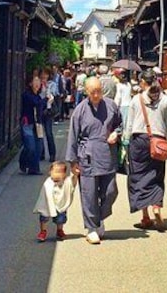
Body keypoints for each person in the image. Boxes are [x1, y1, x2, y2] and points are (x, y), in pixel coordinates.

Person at [65, 76, 122, 244]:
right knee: (89, 194)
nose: (97, 95)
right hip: (87, 156)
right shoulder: (80, 110)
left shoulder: (111, 106)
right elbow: (72, 137)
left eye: (99, 91)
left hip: (107, 153)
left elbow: (120, 124)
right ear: (87, 92)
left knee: (110, 191)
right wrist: (73, 162)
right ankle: (91, 227)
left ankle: (100, 218)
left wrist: (116, 133)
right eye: (93, 92)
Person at [124, 70, 167, 231]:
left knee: (138, 176)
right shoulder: (166, 100)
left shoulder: (136, 100)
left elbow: (129, 124)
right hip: (159, 141)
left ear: (143, 82)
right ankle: (157, 207)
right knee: (157, 174)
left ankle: (145, 216)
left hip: (139, 140)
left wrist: (125, 142)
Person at [33, 161, 78, 242]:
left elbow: (73, 183)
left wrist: (75, 175)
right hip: (47, 205)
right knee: (44, 217)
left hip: (60, 205)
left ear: (64, 174)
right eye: (55, 171)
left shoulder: (66, 182)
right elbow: (44, 193)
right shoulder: (48, 182)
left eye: (60, 172)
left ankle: (59, 230)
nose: (57, 174)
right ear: (50, 172)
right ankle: (43, 231)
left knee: (60, 219)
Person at [19, 76, 43, 175]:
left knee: (38, 147)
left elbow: (41, 108)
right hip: (27, 122)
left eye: (39, 81)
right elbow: (35, 103)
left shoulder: (39, 96)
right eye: (35, 81)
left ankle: (34, 169)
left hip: (38, 124)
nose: (37, 84)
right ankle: (23, 161)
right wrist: (46, 100)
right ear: (30, 83)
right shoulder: (26, 95)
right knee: (30, 146)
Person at [39, 68, 56, 161]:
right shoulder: (38, 83)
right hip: (40, 110)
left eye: (46, 74)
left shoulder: (52, 84)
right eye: (42, 74)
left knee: (49, 133)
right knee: (40, 132)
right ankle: (41, 153)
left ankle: (52, 154)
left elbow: (53, 95)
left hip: (48, 111)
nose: (44, 76)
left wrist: (46, 88)